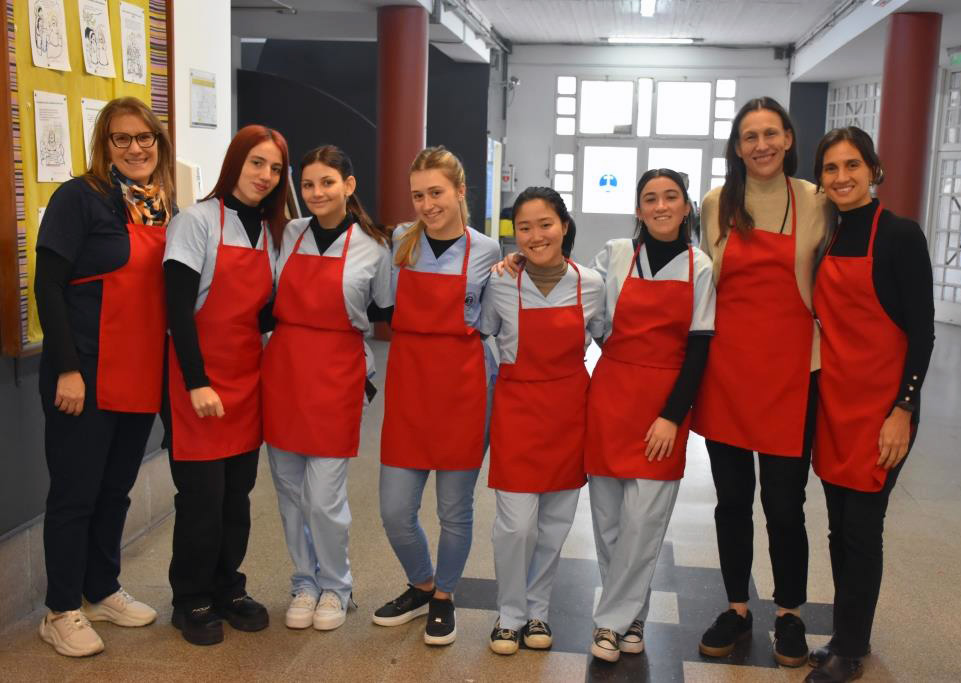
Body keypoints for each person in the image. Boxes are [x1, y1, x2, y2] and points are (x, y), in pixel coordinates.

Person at [692, 97, 829, 667]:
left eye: (771, 133)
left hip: (794, 372)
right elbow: (704, 279)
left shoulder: (817, 201)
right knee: (731, 501)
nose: (761, 145)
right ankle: (736, 607)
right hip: (728, 371)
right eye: (750, 136)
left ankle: (791, 613)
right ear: (737, 145)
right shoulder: (717, 203)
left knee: (784, 502)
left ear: (790, 138)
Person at [34, 96, 174, 656]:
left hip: (138, 372)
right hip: (85, 376)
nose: (136, 148)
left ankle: (100, 589)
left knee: (115, 490)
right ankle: (60, 608)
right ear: (104, 145)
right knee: (76, 493)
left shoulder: (159, 206)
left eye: (146, 138)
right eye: (123, 139)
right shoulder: (78, 198)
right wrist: (67, 368)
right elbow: (48, 286)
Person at [805, 127, 934, 683]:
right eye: (830, 168)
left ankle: (852, 648)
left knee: (862, 528)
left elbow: (923, 333)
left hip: (882, 413)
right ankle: (844, 635)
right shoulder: (827, 237)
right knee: (840, 528)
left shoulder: (901, 236)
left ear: (873, 170)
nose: (841, 177)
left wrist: (903, 411)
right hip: (835, 406)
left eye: (852, 165)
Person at [163, 125, 288, 646]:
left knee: (237, 495)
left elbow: (263, 314)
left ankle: (227, 588)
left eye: (275, 168)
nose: (265, 176)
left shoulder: (273, 232)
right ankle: (189, 597)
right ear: (234, 161)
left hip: (245, 378)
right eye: (256, 162)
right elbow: (176, 311)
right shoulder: (195, 221)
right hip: (198, 379)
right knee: (202, 498)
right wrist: (196, 382)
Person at [586, 169, 716, 662]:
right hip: (611, 396)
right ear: (638, 210)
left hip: (665, 408)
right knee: (608, 522)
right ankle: (631, 618)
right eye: (650, 199)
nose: (661, 206)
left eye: (671, 197)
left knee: (644, 522)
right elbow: (587, 308)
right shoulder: (617, 254)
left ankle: (608, 622)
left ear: (686, 207)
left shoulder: (699, 266)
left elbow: (700, 349)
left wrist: (672, 415)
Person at [374, 146, 500, 646]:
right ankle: (421, 583)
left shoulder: (488, 251)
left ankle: (444, 595)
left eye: (437, 193)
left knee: (455, 510)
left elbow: (494, 321)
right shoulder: (401, 240)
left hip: (465, 391)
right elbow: (381, 301)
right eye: (418, 195)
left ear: (460, 191)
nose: (427, 204)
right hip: (409, 388)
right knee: (394, 511)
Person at [261, 145, 392, 631]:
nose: (317, 193)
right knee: (289, 490)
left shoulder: (373, 246)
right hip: (284, 370)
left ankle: (337, 585)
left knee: (324, 496)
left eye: (327, 183)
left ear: (349, 186)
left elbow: (383, 308)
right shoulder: (290, 234)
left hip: (338, 372)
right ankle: (304, 581)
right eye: (309, 185)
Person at [480, 187, 605, 656]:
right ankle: (509, 613)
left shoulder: (590, 284)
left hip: (570, 411)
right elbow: (484, 329)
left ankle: (538, 612)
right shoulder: (500, 283)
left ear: (564, 226)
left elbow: (609, 339)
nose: (535, 236)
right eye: (524, 228)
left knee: (554, 524)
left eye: (545, 224)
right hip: (516, 410)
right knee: (515, 525)